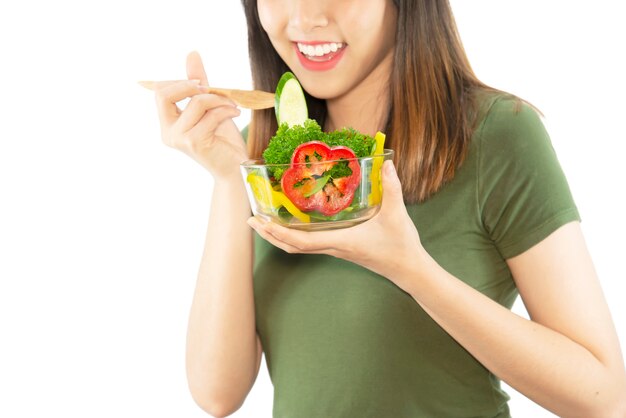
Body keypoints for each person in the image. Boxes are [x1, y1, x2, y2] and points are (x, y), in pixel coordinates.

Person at [150, 0, 626, 417]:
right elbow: (217, 393)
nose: (305, 16)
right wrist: (231, 180)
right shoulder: (285, 160)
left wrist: (411, 269)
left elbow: (603, 398)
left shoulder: (496, 135)